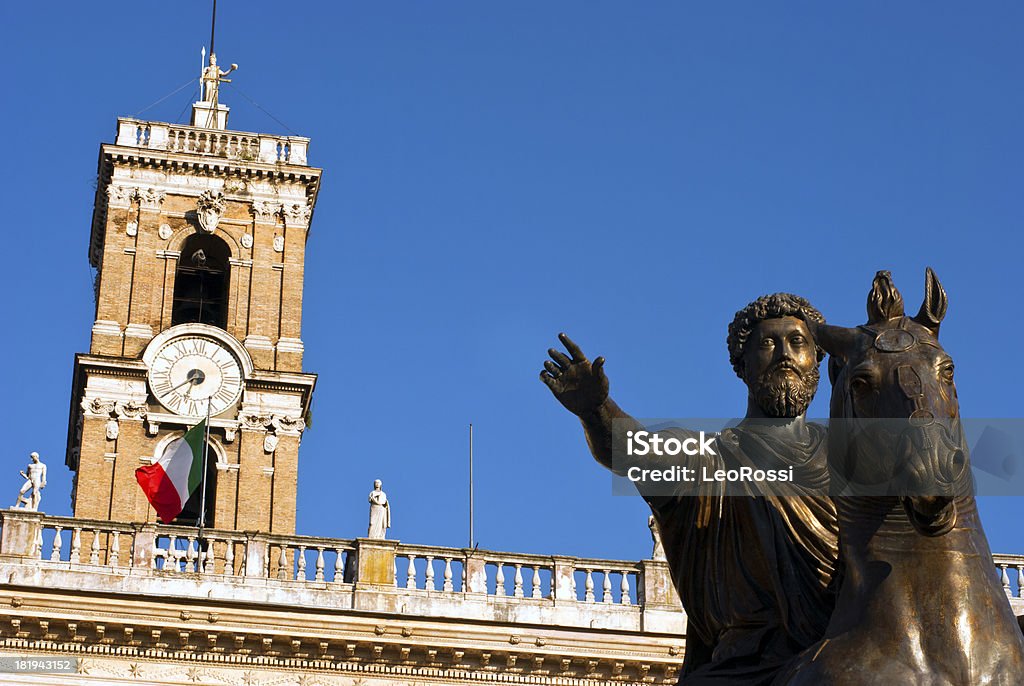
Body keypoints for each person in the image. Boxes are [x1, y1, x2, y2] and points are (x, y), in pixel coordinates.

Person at [540, 293, 839, 685]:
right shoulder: (709, 458)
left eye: (798, 343)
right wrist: (595, 410)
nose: (784, 353)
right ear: (742, 365)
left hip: (841, 652)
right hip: (744, 667)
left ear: (816, 362)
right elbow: (635, 452)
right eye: (768, 343)